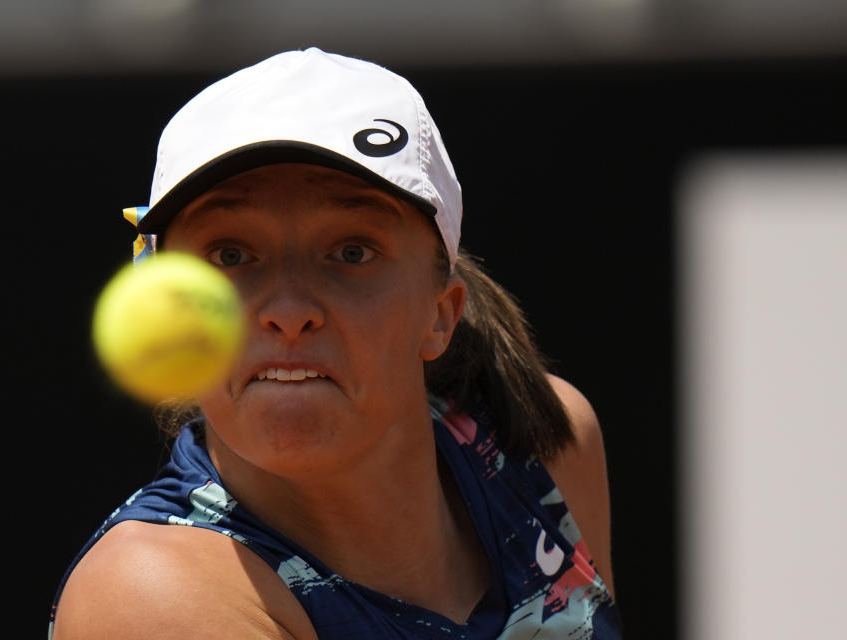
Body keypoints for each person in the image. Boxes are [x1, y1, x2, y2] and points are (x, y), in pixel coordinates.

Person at [49, 48, 621, 639]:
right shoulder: (153, 598)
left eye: (351, 252)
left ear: (441, 314)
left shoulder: (544, 442)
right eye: (231, 255)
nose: (289, 312)